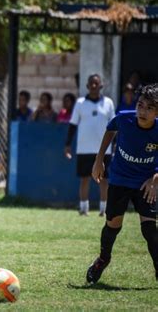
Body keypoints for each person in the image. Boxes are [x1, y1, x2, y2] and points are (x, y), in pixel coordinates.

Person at [87, 84, 158, 284]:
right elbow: (111, 129)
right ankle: (103, 259)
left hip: (145, 182)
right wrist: (99, 159)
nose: (142, 111)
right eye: (140, 105)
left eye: (149, 108)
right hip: (120, 179)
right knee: (113, 225)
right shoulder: (124, 119)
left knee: (150, 229)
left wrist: (155, 179)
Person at [65, 74, 115, 216]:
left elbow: (114, 126)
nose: (93, 86)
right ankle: (83, 208)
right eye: (91, 83)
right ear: (87, 86)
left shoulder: (108, 103)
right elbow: (73, 124)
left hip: (104, 150)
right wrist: (68, 144)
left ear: (101, 86)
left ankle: (104, 209)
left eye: (96, 83)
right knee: (85, 178)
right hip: (84, 148)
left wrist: (115, 144)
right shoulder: (80, 103)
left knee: (104, 179)